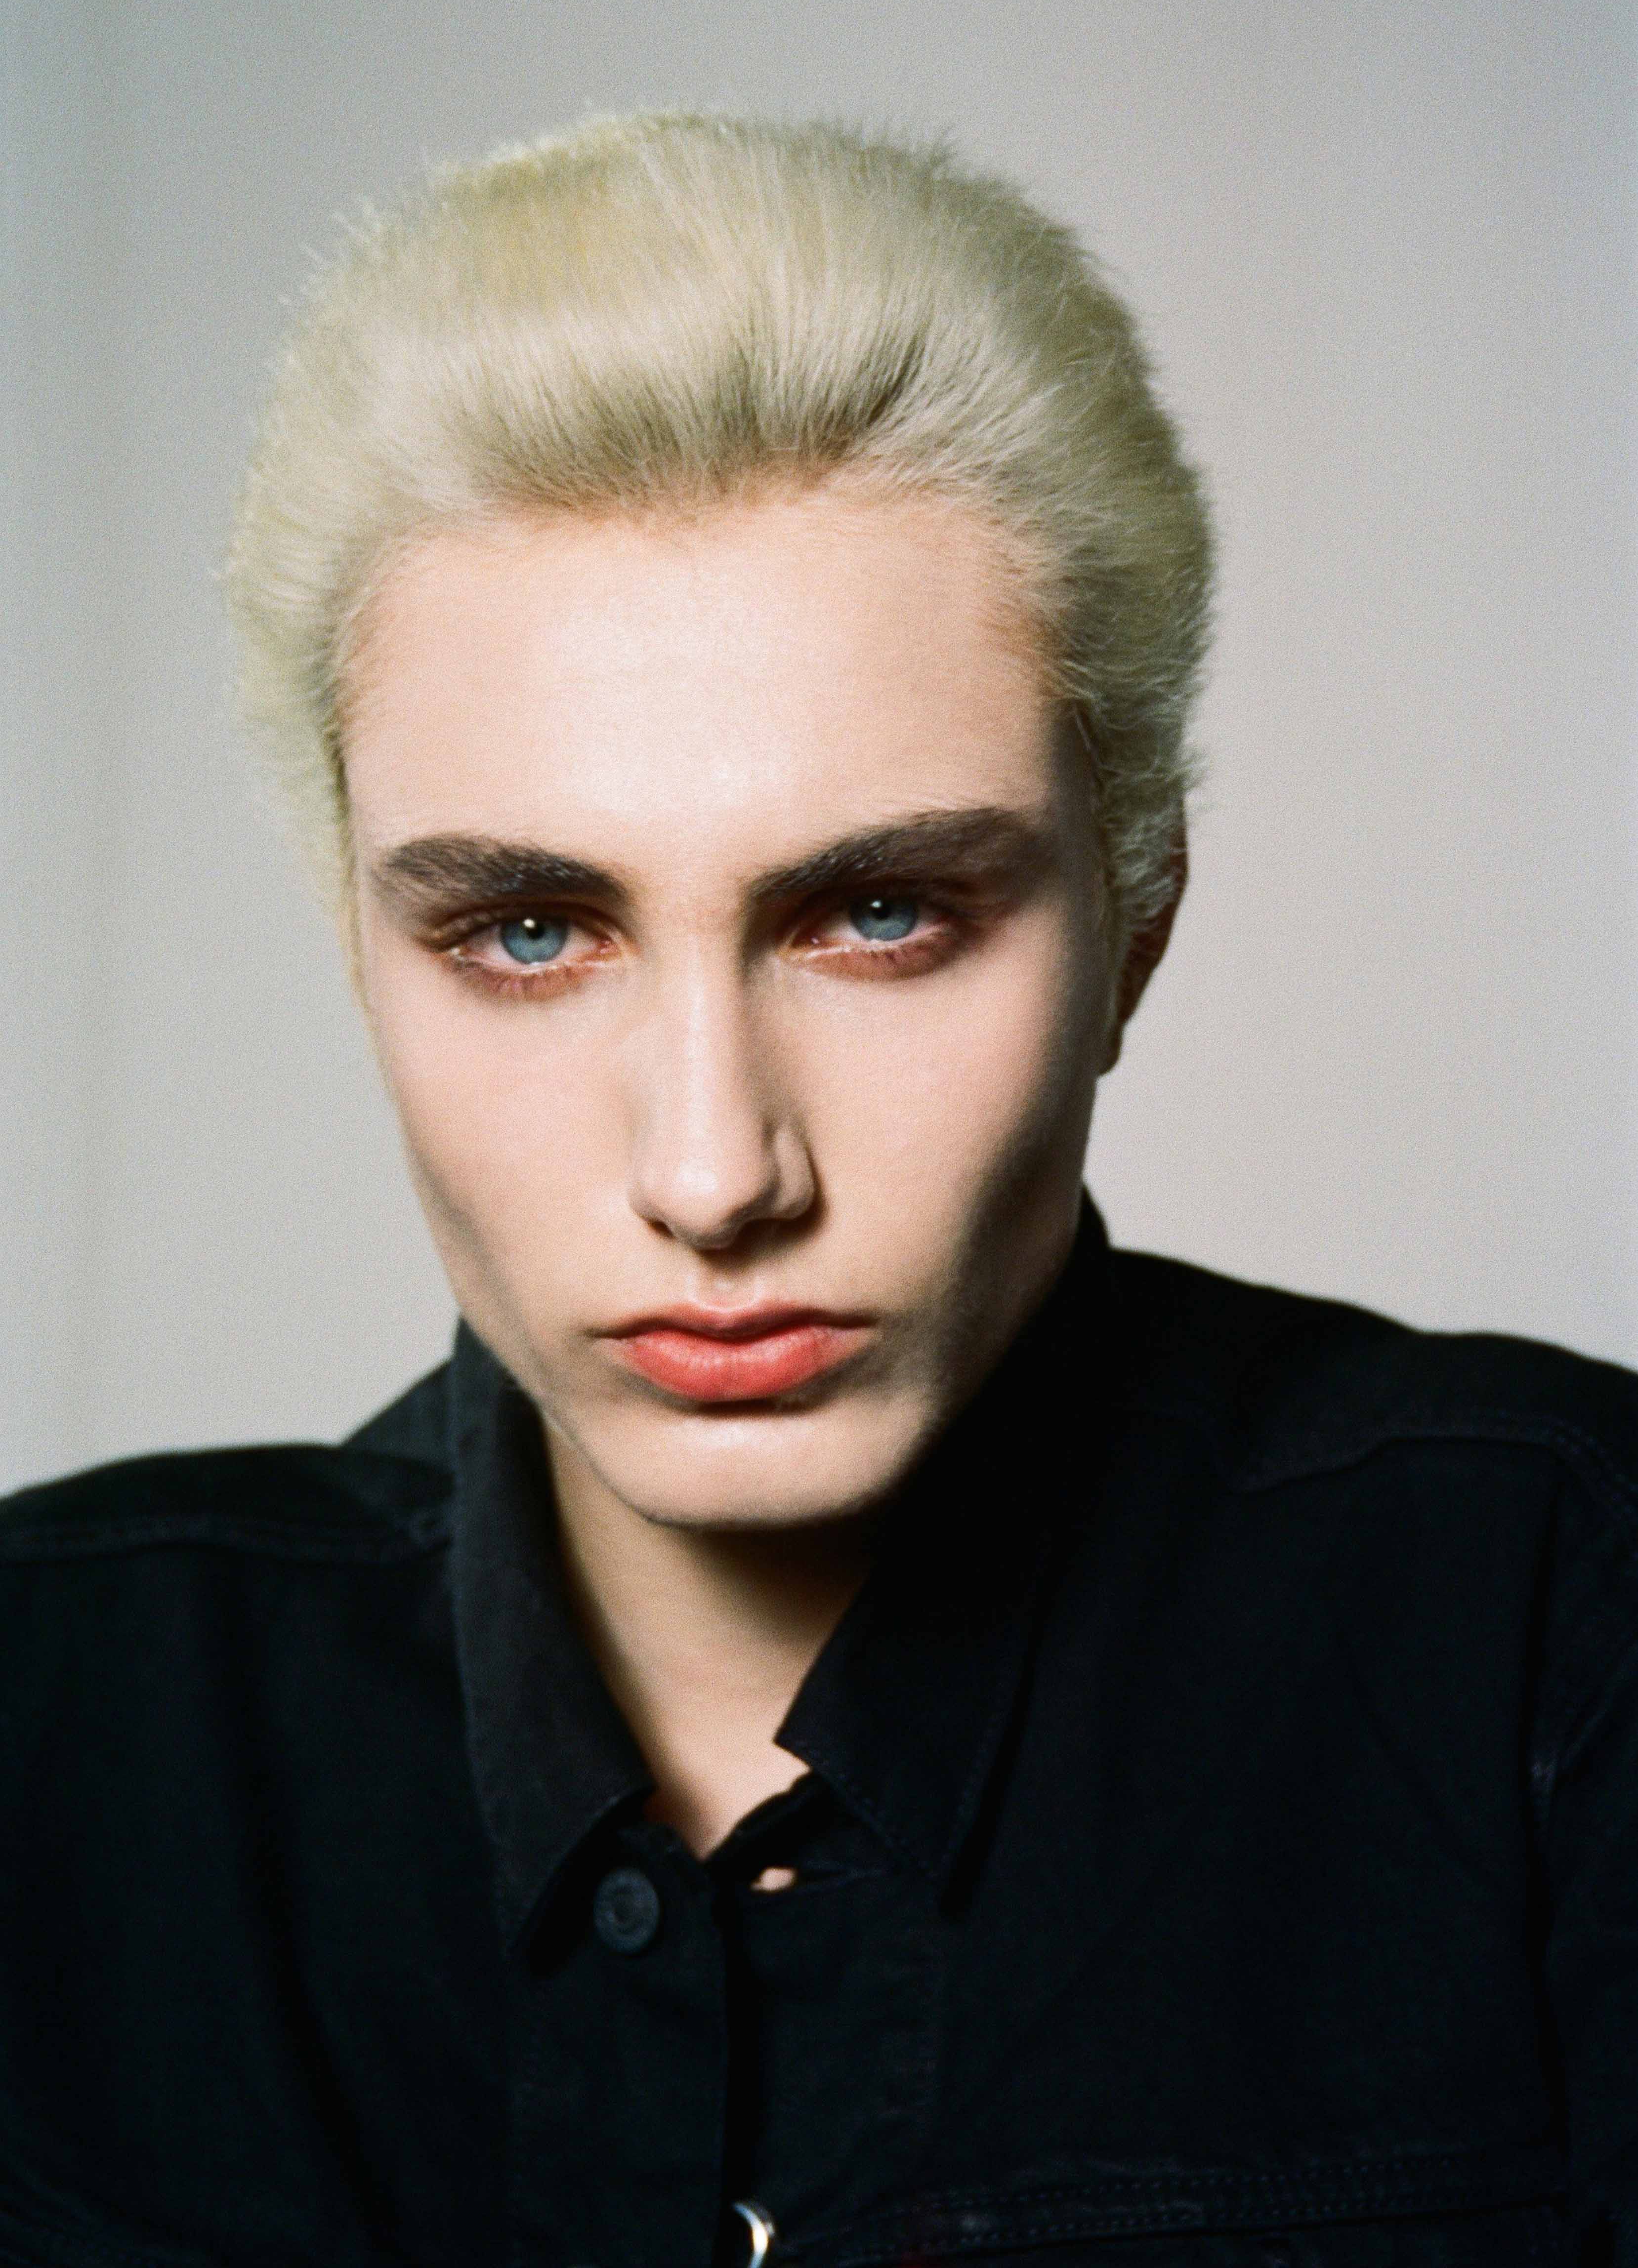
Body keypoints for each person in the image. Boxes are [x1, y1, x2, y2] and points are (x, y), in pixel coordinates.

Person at [1, 112, 1633, 2268]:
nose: (713, 1174)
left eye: (878, 914)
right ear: (357, 946)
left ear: (1136, 916)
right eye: (524, 932)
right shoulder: (51, 1724)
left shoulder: (1562, 1631)